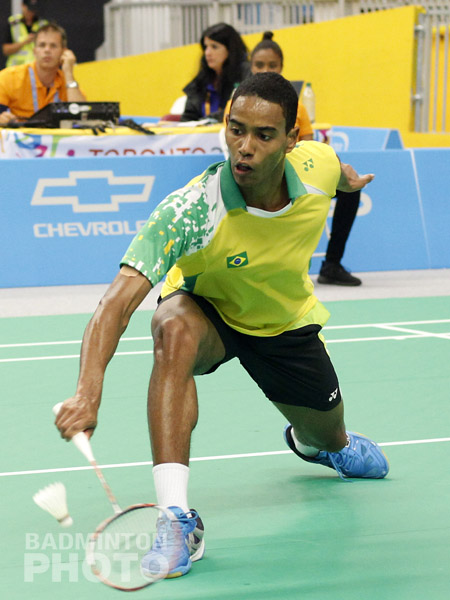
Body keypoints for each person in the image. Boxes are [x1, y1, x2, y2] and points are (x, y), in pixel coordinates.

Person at [54, 73, 388, 580]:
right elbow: (115, 305)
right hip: (207, 310)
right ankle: (175, 519)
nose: (244, 147)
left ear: (291, 140)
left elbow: (336, 172)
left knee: (329, 436)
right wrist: (87, 392)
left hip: (282, 321)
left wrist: (351, 181)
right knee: (171, 331)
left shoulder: (315, 163)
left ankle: (324, 445)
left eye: (263, 135)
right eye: (236, 129)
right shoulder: (192, 209)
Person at [251, 31, 362, 286]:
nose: (265, 70)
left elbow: (309, 147)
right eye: (259, 65)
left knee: (350, 190)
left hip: (295, 174)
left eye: (272, 65)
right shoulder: (238, 103)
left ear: (281, 67)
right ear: (250, 66)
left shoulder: (297, 107)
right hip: (258, 177)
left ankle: (332, 264)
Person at [0, 22, 85, 125]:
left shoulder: (68, 82)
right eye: (42, 45)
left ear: (64, 52)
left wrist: (68, 73)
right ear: (34, 51)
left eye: (53, 46)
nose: (47, 50)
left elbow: (82, 118)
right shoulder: (9, 77)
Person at [180, 22, 250, 122]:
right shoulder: (202, 80)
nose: (207, 53)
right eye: (206, 47)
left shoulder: (245, 74)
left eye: (214, 47)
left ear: (230, 49)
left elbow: (240, 111)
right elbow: (188, 117)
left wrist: (207, 120)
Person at [2, 0, 47, 68]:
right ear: (23, 6)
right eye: (29, 9)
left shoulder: (43, 25)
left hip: (36, 69)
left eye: (33, 10)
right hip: (16, 69)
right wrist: (25, 42)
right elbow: (6, 50)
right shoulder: (13, 23)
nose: (31, 13)